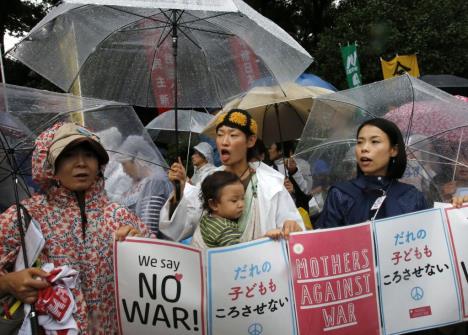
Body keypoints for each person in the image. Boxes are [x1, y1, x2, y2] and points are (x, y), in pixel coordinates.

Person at [0, 122, 148, 334]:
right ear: (50, 165)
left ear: (99, 164)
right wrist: (7, 282)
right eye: (68, 155)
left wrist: (140, 245)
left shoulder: (120, 216)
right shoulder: (25, 216)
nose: (81, 163)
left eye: (89, 155)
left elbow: (155, 274)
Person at [160, 108, 304, 242]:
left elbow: (292, 226)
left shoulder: (271, 183)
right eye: (220, 135)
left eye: (233, 135)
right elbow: (179, 229)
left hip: (261, 266)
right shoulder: (209, 181)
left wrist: (290, 226)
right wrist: (179, 191)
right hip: (217, 266)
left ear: (251, 141)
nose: (224, 142)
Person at [316, 118, 429, 228]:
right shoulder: (341, 194)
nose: (364, 148)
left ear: (393, 150)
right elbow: (325, 242)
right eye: (360, 142)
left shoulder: (411, 196)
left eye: (374, 141)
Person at [117, 135, 173, 236]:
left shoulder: (154, 182)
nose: (124, 170)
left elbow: (149, 228)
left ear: (138, 159)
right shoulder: (136, 183)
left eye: (124, 164)